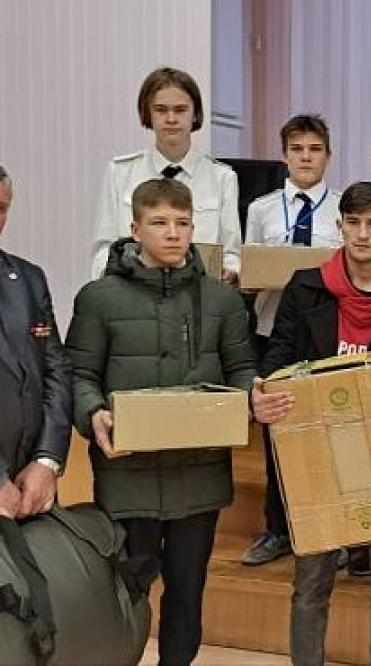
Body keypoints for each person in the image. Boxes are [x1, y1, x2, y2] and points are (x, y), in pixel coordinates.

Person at [250, 181, 371, 666]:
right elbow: (277, 361)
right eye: (354, 223)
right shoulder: (305, 288)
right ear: (339, 226)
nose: (363, 234)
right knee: (311, 581)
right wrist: (261, 391)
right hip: (317, 455)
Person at [66, 177, 258, 666]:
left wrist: (247, 399)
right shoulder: (98, 298)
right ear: (135, 229)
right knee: (123, 592)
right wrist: (93, 412)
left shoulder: (222, 300)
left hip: (200, 474)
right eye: (159, 223)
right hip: (126, 473)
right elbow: (79, 374)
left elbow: (241, 370)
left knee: (187, 593)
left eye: (182, 223)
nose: (173, 233)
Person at [238, 114, 341, 567]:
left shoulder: (341, 209)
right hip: (271, 329)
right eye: (297, 149)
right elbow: (250, 269)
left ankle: (332, 531)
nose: (305, 157)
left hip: (324, 334)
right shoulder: (261, 209)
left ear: (328, 157)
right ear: (284, 156)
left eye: (315, 150)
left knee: (327, 434)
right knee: (276, 436)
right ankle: (277, 528)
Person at [93, 67, 241, 283]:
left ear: (195, 114)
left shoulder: (222, 177)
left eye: (180, 110)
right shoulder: (120, 172)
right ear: (148, 114)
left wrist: (230, 271)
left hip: (197, 291)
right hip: (134, 290)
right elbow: (103, 248)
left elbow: (232, 254)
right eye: (161, 110)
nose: (171, 119)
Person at [0, 164, 72, 520]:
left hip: (31, 482)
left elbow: (56, 370)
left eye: (1, 208)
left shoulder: (28, 278)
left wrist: (46, 460)